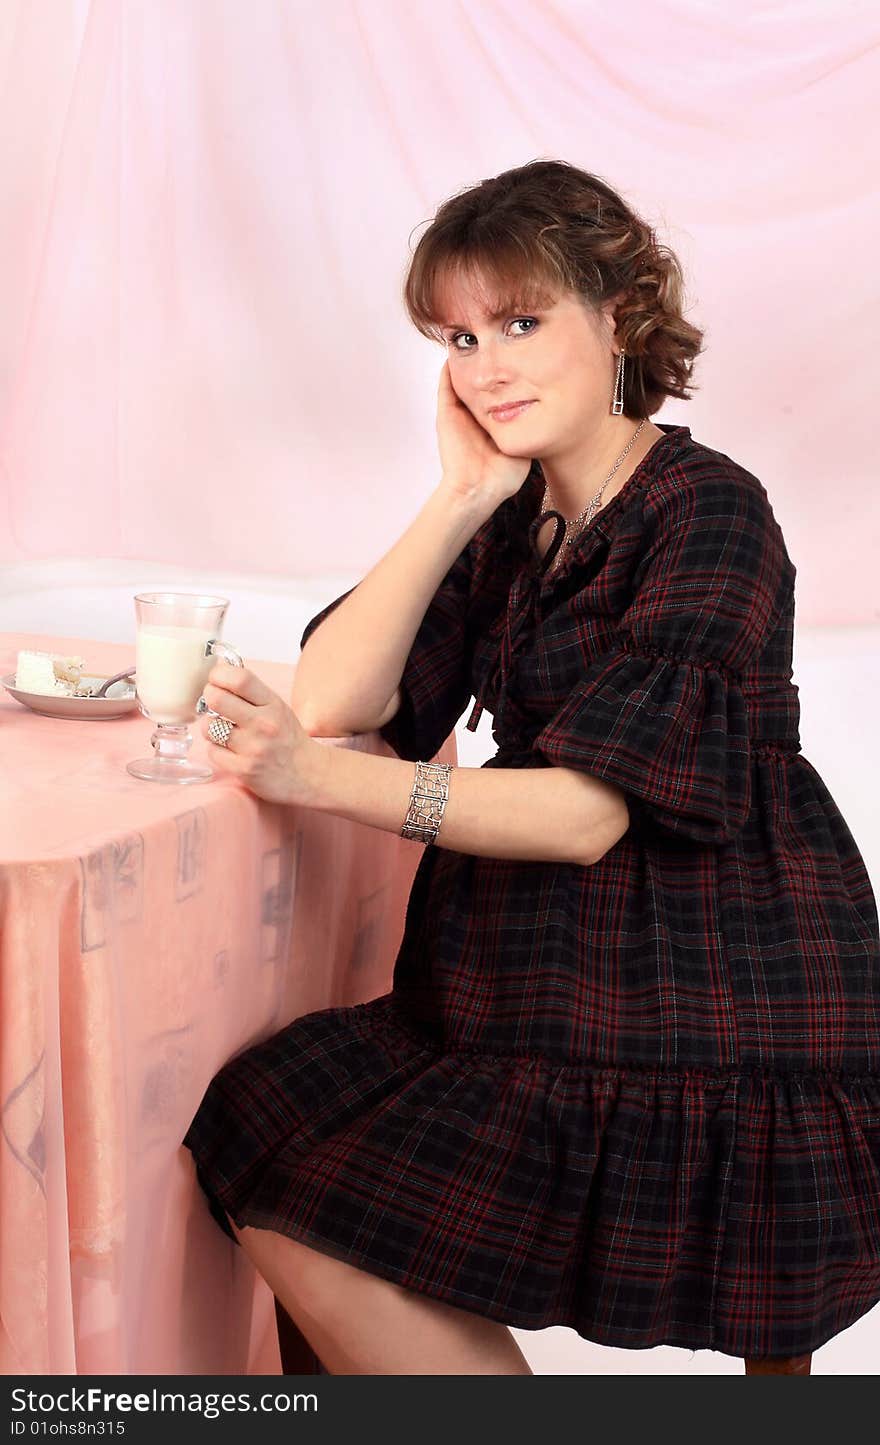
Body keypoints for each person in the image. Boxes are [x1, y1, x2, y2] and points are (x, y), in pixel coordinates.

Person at [182, 159, 880, 1376]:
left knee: (768, 1339)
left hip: (713, 975)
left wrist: (317, 777)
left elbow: (580, 815)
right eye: (457, 336)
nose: (484, 365)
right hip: (525, 968)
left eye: (518, 321)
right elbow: (342, 693)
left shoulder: (710, 509)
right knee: (271, 1131)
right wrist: (458, 496)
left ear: (616, 316)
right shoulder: (514, 515)